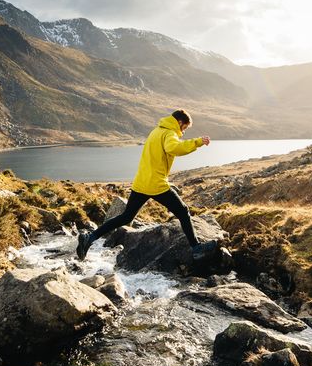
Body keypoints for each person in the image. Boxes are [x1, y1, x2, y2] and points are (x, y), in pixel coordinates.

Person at [76, 109, 215, 262]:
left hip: (141, 182)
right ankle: (196, 248)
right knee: (183, 212)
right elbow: (173, 148)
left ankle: (89, 238)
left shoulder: (156, 131)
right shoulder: (169, 133)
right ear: (180, 122)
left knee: (126, 217)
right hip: (156, 184)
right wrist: (198, 142)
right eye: (185, 127)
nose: (184, 131)